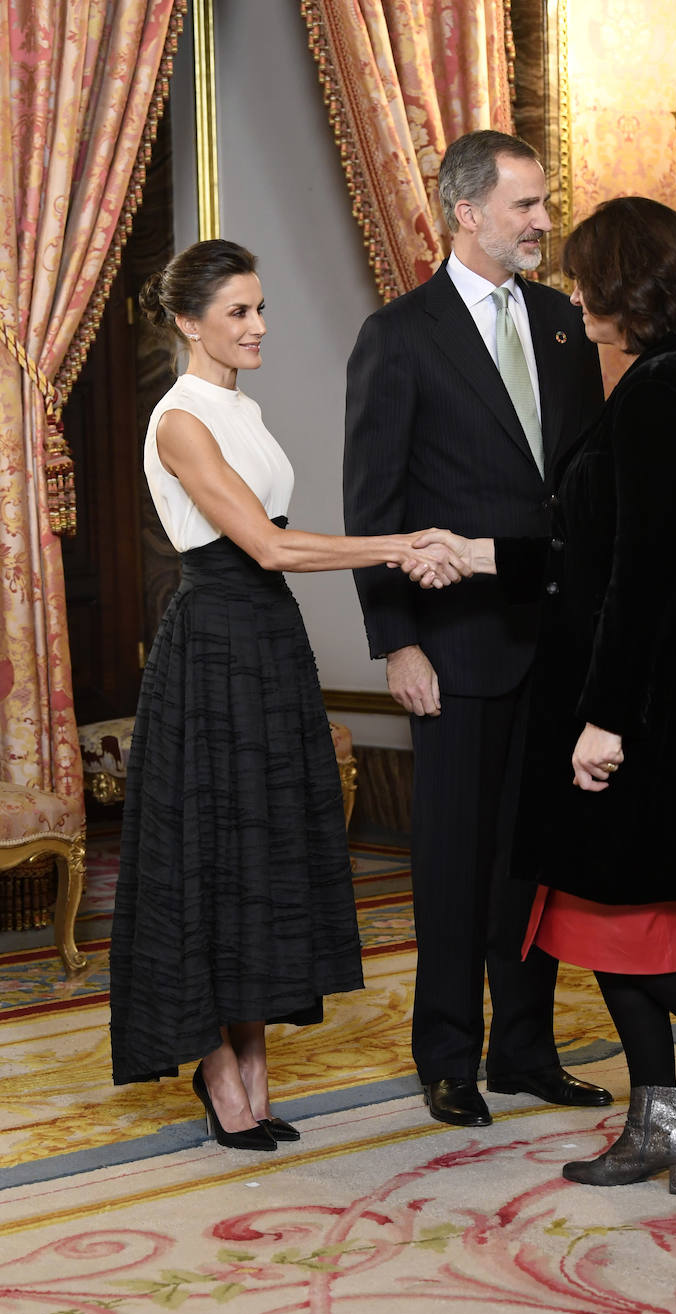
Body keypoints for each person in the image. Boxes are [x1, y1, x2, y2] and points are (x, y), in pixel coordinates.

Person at [408, 197, 676, 1192]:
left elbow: (641, 577)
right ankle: (659, 1122)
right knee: (592, 920)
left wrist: (604, 720)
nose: (572, 294)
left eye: (586, 278)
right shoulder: (673, 382)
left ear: (628, 288)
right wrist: (480, 554)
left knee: (625, 928)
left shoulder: (658, 392)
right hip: (656, 697)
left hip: (649, 709)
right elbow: (592, 545)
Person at [109, 239, 463, 1151]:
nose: (259, 325)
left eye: (261, 307)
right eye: (238, 312)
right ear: (189, 321)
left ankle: (254, 1056)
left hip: (268, 640)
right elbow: (268, 548)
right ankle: (217, 1067)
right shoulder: (180, 419)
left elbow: (275, 547)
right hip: (214, 644)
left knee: (261, 845)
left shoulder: (240, 408)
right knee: (214, 846)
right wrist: (396, 544)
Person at [343, 130, 608, 1129]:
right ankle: (445, 1057)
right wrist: (395, 641)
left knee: (535, 861)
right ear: (465, 212)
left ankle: (524, 1050)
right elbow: (372, 501)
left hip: (555, 642)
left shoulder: (557, 323)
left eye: (543, 203)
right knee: (452, 864)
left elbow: (579, 486)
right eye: (525, 205)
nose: (542, 221)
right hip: (451, 648)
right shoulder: (399, 335)